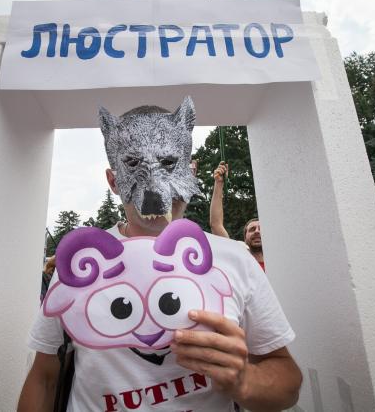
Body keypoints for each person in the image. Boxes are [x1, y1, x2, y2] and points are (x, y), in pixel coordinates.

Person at [18, 98, 301, 411]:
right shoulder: (80, 264)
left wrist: (245, 381)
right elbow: (44, 377)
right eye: (133, 164)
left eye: (168, 163)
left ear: (191, 171)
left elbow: (287, 381)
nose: (155, 189)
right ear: (113, 181)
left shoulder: (234, 259)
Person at [210, 162, 265, 271]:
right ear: (245, 237)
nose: (257, 231)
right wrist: (219, 183)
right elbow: (216, 224)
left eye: (261, 229)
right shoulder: (239, 258)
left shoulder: (282, 260)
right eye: (252, 229)